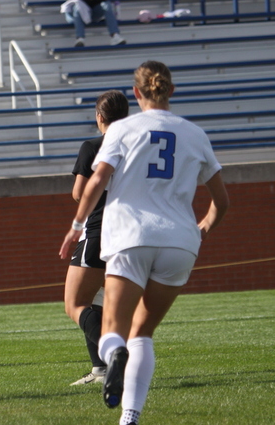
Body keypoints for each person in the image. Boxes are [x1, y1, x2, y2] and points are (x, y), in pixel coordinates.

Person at [60, 61, 229, 425]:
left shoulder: (122, 129)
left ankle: (113, 355)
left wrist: (76, 225)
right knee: (143, 333)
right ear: (171, 90)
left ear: (136, 93)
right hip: (180, 242)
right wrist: (202, 228)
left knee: (114, 331)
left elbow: (95, 182)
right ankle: (130, 417)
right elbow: (222, 202)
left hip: (131, 236)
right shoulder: (195, 133)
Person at [64, 90, 129, 386]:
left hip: (99, 230)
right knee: (98, 301)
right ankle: (100, 370)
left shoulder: (93, 146)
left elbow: (79, 193)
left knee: (75, 303)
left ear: (99, 117)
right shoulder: (136, 147)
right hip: (130, 233)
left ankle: (115, 354)